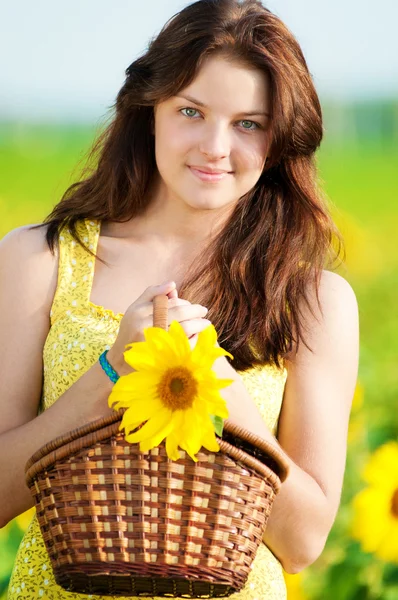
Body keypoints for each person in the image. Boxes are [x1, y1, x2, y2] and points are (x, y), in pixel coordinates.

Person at [1, 0, 359, 598]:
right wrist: (111, 374)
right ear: (150, 112)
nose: (215, 146)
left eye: (249, 122)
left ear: (280, 138)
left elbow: (304, 543)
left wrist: (218, 391)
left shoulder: (315, 298)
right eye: (191, 111)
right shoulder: (39, 258)